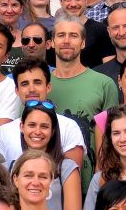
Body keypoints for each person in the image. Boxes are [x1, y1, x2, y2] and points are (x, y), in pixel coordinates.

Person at [0, 59, 86, 171]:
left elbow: (72, 178)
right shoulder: (3, 132)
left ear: (48, 87)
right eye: (25, 84)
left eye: (37, 82)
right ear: (17, 90)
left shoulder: (69, 127)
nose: (31, 89)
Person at [50, 16, 119, 155]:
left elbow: (112, 136)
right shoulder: (40, 85)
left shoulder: (104, 84)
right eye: (61, 35)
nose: (66, 41)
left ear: (83, 43)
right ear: (52, 42)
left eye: (73, 36)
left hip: (91, 173)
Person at [14, 100, 82, 210]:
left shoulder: (66, 168)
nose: (37, 131)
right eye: (32, 125)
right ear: (22, 127)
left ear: (53, 131)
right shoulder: (11, 167)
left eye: (44, 126)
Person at [58, 0, 115, 69]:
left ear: (86, 0)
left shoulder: (101, 31)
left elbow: (109, 69)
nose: (73, 4)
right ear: (61, 1)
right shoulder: (53, 34)